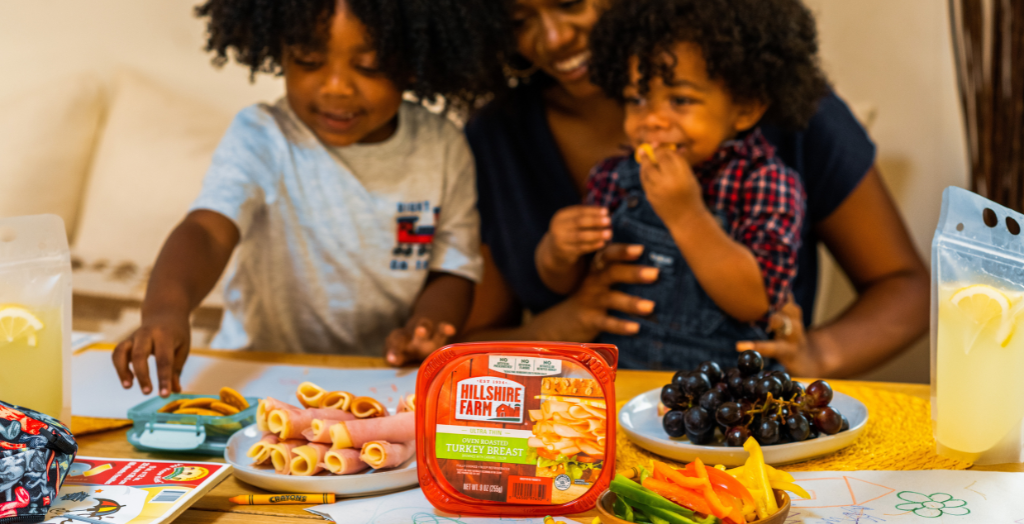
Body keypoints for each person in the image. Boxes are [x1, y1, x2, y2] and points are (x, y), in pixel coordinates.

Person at [461, 0, 929, 377]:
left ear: (747, 108)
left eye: (569, 3)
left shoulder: (775, 149)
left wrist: (819, 356)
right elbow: (472, 340)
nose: (554, 37)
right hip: (610, 406)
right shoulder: (514, 141)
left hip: (724, 409)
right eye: (520, 19)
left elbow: (903, 286)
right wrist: (558, 300)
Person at [113, 0, 493, 397]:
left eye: (369, 66)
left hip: (381, 375)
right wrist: (166, 310)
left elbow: (453, 267)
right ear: (280, 54)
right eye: (309, 61)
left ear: (414, 62)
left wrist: (428, 327)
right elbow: (208, 230)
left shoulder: (442, 147)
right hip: (259, 367)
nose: (337, 87)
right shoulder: (262, 135)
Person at [531, 0, 822, 370]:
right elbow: (570, 283)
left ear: (746, 107)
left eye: (680, 100)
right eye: (637, 99)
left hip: (725, 391)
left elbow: (757, 301)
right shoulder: (612, 177)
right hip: (623, 381)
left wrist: (686, 214)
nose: (651, 119)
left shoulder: (767, 182)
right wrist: (556, 253)